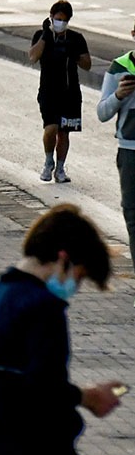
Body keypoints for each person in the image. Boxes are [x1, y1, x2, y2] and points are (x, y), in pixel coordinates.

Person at [0, 204, 123, 455]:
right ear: (64, 259)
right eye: (78, 278)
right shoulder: (42, 308)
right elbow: (43, 388)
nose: (74, 289)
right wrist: (87, 397)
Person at [30, 0, 92, 183]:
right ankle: (48, 162)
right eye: (57, 19)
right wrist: (45, 37)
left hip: (70, 92)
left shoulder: (76, 38)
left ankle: (60, 168)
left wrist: (76, 55)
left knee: (64, 131)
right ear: (51, 17)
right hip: (48, 91)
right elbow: (33, 57)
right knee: (51, 128)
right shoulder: (41, 35)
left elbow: (87, 65)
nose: (60, 23)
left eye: (64, 20)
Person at [94, 20, 135, 269]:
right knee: (133, 216)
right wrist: (119, 95)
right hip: (130, 152)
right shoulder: (120, 67)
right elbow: (102, 113)